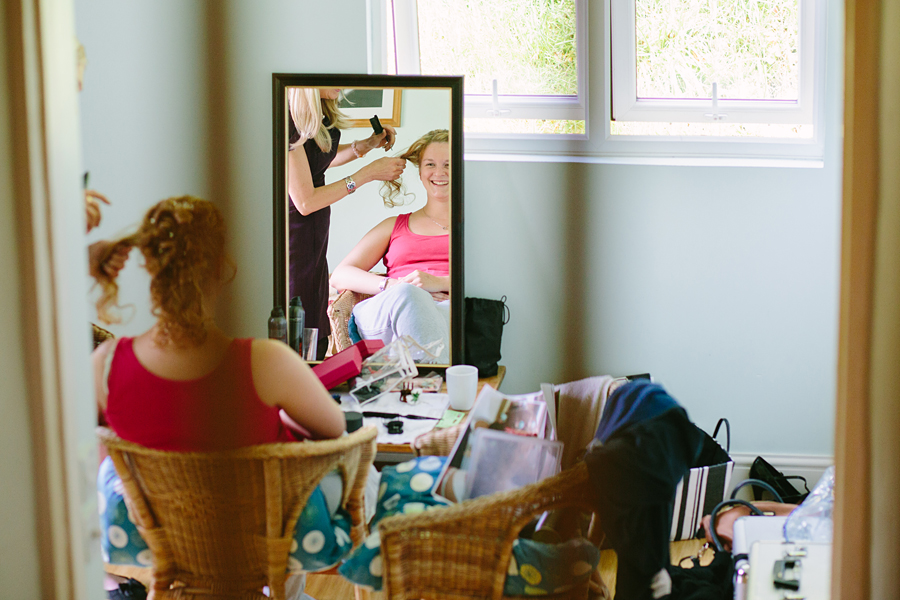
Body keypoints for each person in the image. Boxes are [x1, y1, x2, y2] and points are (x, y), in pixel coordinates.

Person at [91, 196, 346, 599]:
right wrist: (283, 420)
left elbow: (85, 444)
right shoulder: (265, 360)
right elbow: (334, 430)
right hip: (260, 532)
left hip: (159, 533)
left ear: (152, 273)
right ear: (223, 272)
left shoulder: (104, 364)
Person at [288, 87, 406, 359]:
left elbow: (317, 160)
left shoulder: (319, 110)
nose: (343, 86)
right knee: (300, 324)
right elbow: (305, 202)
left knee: (315, 325)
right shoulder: (288, 121)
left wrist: (363, 146)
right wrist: (366, 174)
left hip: (315, 236)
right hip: (295, 236)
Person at [329, 129, 451, 364]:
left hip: (446, 311)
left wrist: (441, 282)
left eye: (448, 164)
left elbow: (495, 278)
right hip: (388, 312)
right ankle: (430, 387)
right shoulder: (395, 225)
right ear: (420, 170)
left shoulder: (474, 228)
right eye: (430, 164)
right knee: (409, 294)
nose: (439, 172)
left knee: (445, 312)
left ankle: (419, 385)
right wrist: (394, 285)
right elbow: (340, 275)